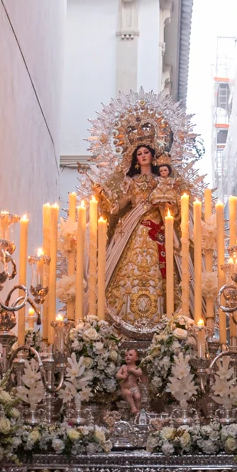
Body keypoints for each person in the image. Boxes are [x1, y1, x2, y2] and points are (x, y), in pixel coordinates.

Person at [93, 122, 182, 336]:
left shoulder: (163, 180)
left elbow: (174, 208)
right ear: (135, 158)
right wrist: (101, 197)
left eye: (146, 152)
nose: (143, 156)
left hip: (156, 233)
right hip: (133, 231)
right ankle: (123, 321)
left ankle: (164, 321)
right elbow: (118, 207)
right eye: (139, 153)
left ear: (152, 155)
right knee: (124, 273)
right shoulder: (130, 182)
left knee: (163, 274)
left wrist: (169, 204)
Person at [116, 349, 145, 414]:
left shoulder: (136, 368)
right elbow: (117, 375)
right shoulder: (123, 367)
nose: (127, 356)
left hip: (135, 388)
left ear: (136, 358)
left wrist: (132, 370)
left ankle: (138, 410)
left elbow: (139, 373)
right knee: (128, 393)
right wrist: (122, 376)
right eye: (126, 355)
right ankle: (133, 407)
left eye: (130, 355)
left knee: (138, 397)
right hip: (125, 389)